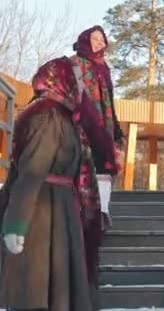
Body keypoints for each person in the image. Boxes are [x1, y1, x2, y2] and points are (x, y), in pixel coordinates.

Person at [0, 51, 118, 310]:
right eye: (75, 81)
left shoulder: (62, 117)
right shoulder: (49, 117)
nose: (80, 87)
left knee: (52, 291)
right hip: (41, 212)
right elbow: (32, 170)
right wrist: (17, 222)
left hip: (59, 210)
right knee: (37, 288)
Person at [70, 25, 124, 230]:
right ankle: (80, 211)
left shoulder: (104, 67)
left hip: (104, 124)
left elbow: (109, 99)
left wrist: (116, 127)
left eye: (102, 39)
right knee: (81, 164)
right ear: (85, 40)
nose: (100, 43)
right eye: (95, 39)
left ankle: (102, 212)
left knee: (104, 165)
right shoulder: (75, 63)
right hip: (81, 122)